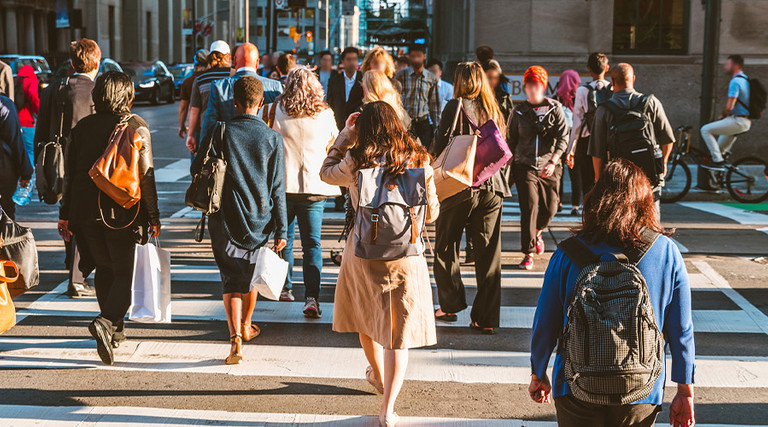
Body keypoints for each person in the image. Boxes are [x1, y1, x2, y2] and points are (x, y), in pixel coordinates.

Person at [529, 159, 695, 427]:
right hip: (641, 389)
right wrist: (685, 390)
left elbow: (545, 322)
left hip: (575, 384)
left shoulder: (566, 254)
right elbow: (681, 329)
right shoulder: (666, 252)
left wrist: (538, 372)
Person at [320, 101, 439, 427]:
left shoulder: (358, 159)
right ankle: (387, 410)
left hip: (363, 252)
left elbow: (326, 174)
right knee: (397, 334)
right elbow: (433, 213)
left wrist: (344, 136)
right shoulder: (418, 158)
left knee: (366, 317)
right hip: (404, 255)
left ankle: (376, 374)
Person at [58, 71, 161, 365]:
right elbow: (146, 177)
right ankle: (105, 322)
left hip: (83, 211)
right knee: (128, 275)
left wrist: (65, 215)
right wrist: (153, 215)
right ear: (127, 96)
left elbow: (70, 176)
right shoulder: (137, 126)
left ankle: (115, 331)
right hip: (123, 213)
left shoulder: (81, 128)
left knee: (104, 268)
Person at [191, 76, 287, 365]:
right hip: (260, 220)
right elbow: (277, 188)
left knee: (230, 280)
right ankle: (247, 324)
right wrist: (281, 227)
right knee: (251, 278)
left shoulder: (220, 131)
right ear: (261, 103)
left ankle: (235, 341)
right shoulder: (273, 139)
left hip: (224, 219)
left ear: (234, 103)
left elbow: (197, 166)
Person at [432, 62, 509, 335]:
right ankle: (485, 318)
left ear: (459, 81)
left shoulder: (455, 107)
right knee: (489, 254)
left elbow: (439, 145)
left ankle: (450, 304)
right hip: (492, 188)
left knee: (446, 244)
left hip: (459, 185)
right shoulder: (494, 108)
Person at [36, 38, 102, 299]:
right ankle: (76, 278)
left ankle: (72, 267)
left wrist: (40, 163)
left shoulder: (54, 88)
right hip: (84, 162)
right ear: (96, 62)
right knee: (79, 217)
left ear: (72, 62)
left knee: (67, 213)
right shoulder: (96, 90)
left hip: (54, 158)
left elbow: (41, 128)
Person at [271, 66, 340, 310]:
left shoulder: (275, 110)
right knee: (313, 243)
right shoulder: (324, 114)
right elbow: (336, 143)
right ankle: (312, 297)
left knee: (285, 240)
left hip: (283, 186)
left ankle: (286, 289)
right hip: (315, 186)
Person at [588, 63, 675, 209]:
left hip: (619, 176)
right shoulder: (651, 103)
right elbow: (668, 139)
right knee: (650, 220)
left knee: (621, 221)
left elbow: (597, 150)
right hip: (649, 175)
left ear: (613, 82)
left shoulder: (604, 110)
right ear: (633, 79)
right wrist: (663, 163)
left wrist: (598, 179)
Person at [508, 66, 568, 271]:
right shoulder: (518, 112)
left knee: (551, 207)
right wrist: (507, 166)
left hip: (549, 165)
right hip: (524, 166)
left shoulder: (555, 109)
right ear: (525, 87)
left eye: (537, 85)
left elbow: (563, 137)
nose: (533, 89)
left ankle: (539, 230)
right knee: (530, 207)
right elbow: (510, 140)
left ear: (543, 86)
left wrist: (553, 160)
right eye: (529, 85)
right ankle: (528, 252)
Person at [201, 42, 283, 144]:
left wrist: (202, 150)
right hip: (264, 150)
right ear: (257, 63)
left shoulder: (219, 86)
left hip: (228, 149)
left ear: (235, 61)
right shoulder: (274, 87)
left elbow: (210, 124)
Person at [566, 53, 610, 216]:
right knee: (604, 179)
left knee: (587, 180)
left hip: (586, 140)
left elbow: (577, 121)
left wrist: (571, 149)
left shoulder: (583, 90)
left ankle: (588, 212)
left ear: (589, 69)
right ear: (607, 68)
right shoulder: (611, 89)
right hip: (606, 141)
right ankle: (602, 211)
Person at [701, 54, 752, 167]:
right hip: (744, 121)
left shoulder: (735, 81)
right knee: (719, 150)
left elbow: (730, 105)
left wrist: (722, 115)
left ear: (736, 65)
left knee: (705, 130)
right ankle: (720, 180)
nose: (725, 67)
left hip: (738, 121)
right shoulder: (746, 79)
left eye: (728, 64)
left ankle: (717, 160)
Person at [185, 40, 232, 154]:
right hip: (231, 130)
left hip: (207, 131)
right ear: (228, 57)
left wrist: (190, 135)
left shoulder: (201, 79)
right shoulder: (234, 75)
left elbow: (194, 110)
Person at [395, 45, 440, 149]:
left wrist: (436, 127)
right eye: (413, 56)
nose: (416, 59)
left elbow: (434, 105)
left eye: (418, 56)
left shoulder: (430, 77)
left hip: (423, 123)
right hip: (405, 122)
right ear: (409, 57)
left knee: (424, 153)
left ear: (424, 56)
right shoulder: (401, 75)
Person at [0, 94, 32, 219]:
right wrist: (25, 172)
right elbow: (15, 140)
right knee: (6, 215)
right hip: (4, 169)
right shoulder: (4, 104)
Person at [12, 64, 40, 206]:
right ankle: (26, 185)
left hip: (16, 121)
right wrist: (39, 112)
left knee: (17, 151)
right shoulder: (31, 81)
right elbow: (34, 98)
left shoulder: (16, 81)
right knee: (29, 151)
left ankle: (17, 182)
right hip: (28, 122)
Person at [554, 69, 581, 216]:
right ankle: (574, 205)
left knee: (561, 171)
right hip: (573, 140)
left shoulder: (556, 98)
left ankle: (559, 201)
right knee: (574, 173)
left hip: (559, 138)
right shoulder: (579, 98)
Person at [327, 47, 363, 131]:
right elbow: (330, 102)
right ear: (343, 62)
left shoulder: (363, 79)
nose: (352, 62)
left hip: (357, 126)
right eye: (349, 59)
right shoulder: (334, 81)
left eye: (354, 59)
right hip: (338, 125)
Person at [178, 49, 209, 140]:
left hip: (196, 127)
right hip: (213, 125)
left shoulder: (188, 82)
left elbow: (183, 108)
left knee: (196, 152)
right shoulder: (213, 79)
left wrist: (182, 125)